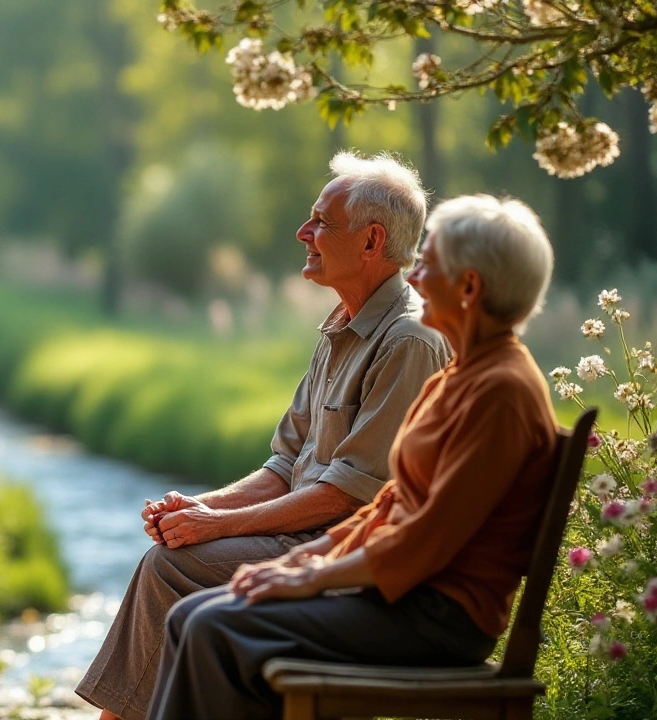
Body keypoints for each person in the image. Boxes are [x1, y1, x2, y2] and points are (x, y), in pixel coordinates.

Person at [147, 194, 559, 720]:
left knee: (213, 626)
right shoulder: (462, 377)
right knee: (193, 616)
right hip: (403, 598)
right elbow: (389, 507)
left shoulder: (501, 390)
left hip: (436, 616)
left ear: (470, 288)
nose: (411, 278)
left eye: (428, 264)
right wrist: (301, 561)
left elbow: (426, 539)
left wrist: (312, 578)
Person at [77, 151, 450, 720]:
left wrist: (215, 525)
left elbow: (352, 497)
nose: (305, 233)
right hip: (307, 539)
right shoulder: (341, 328)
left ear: (372, 242)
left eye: (323, 222)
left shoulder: (409, 341)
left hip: (346, 555)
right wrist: (200, 507)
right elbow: (284, 466)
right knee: (174, 555)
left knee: (170, 567)